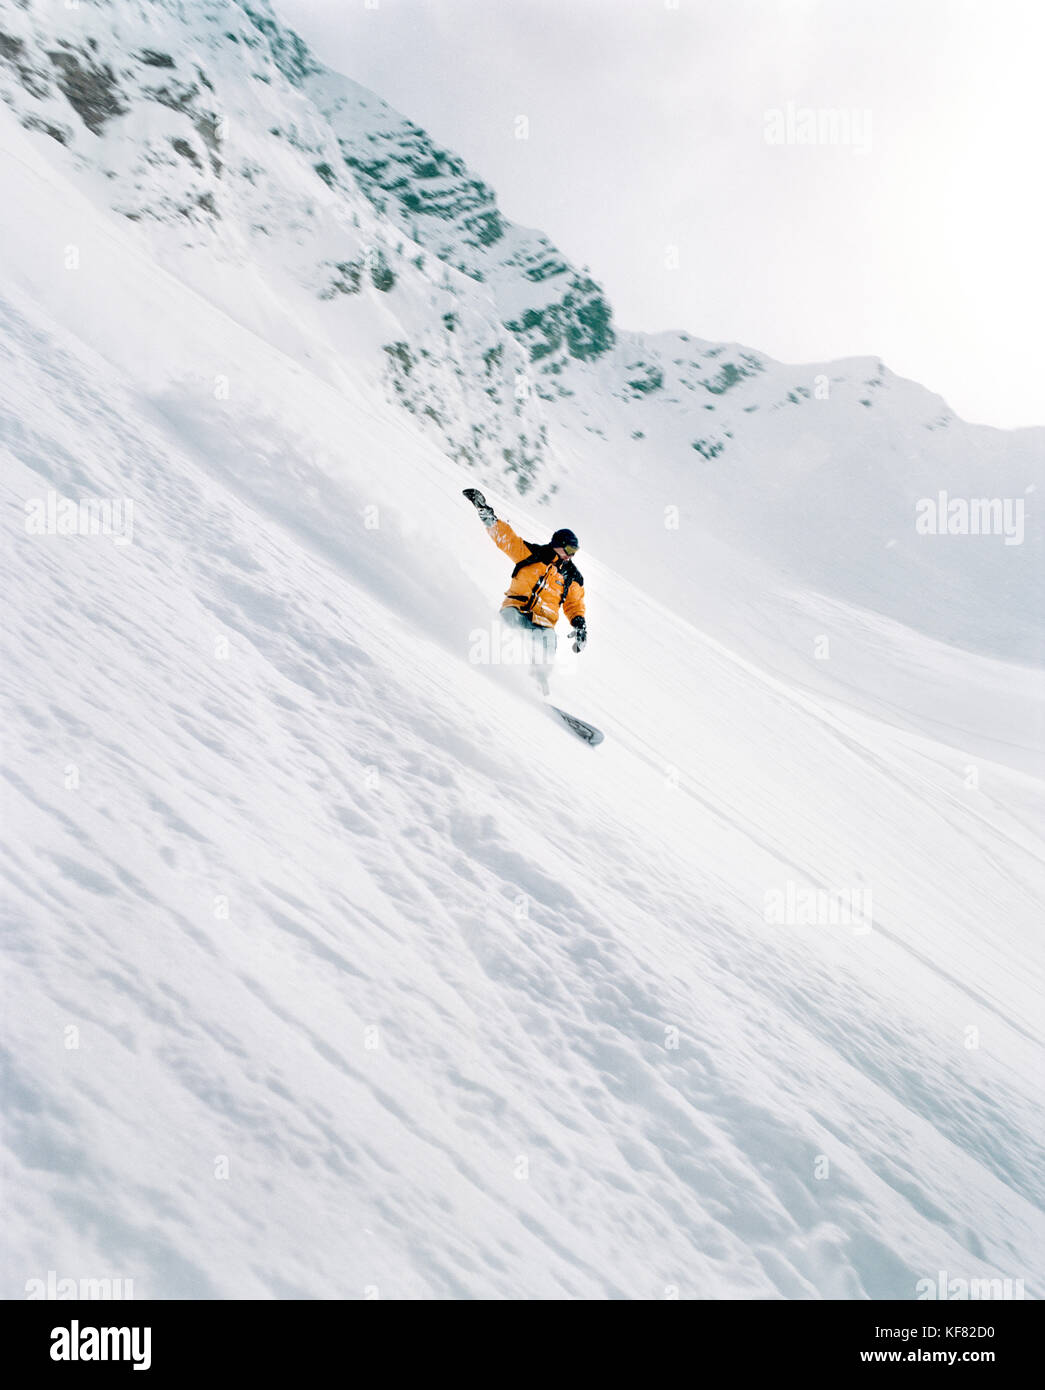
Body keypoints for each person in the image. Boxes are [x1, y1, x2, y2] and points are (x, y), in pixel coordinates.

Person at [463, 488, 587, 692]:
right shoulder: (532, 554)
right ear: (558, 545)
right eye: (570, 550)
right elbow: (506, 539)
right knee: (507, 627)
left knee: (548, 642)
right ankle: (493, 664)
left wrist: (580, 625)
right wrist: (486, 513)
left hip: (543, 624)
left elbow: (574, 604)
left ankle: (537, 685)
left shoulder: (572, 576)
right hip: (516, 609)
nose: (571, 556)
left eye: (575, 552)